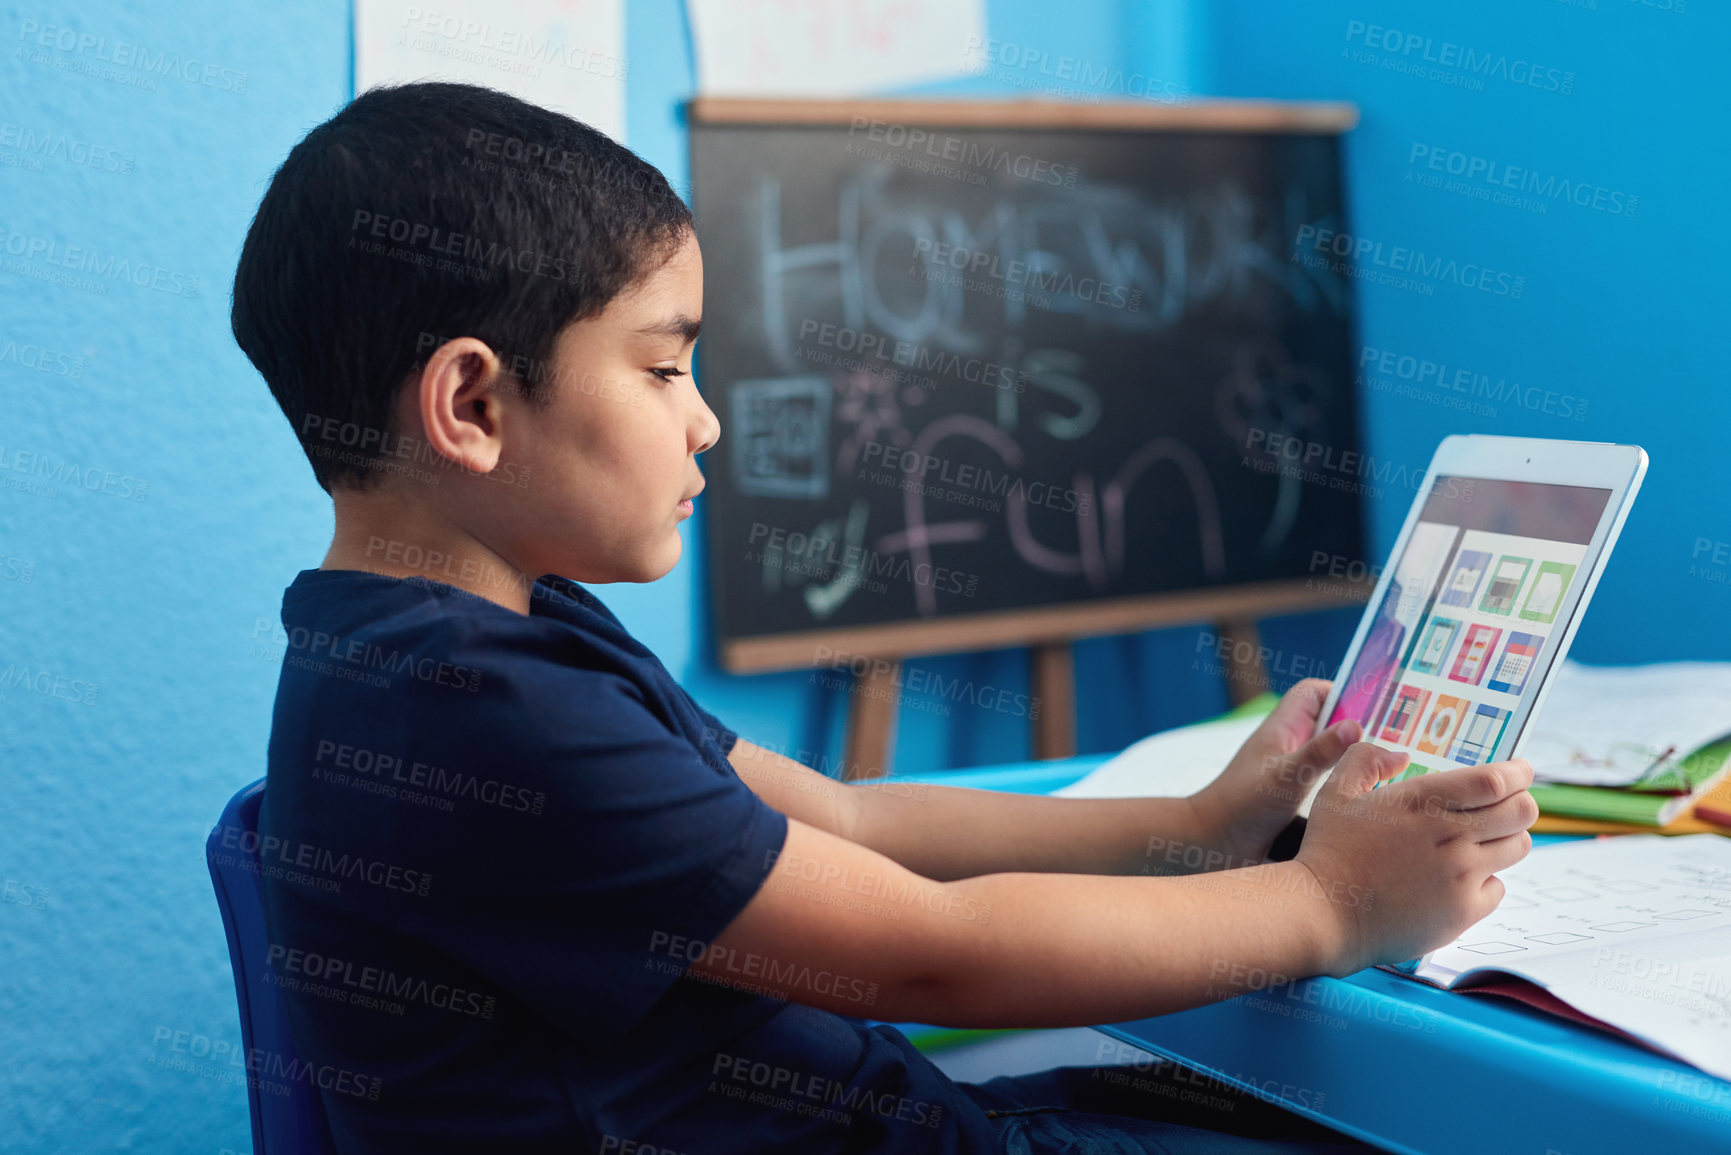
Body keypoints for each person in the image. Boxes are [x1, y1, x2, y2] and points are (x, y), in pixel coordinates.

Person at [232, 81, 1537, 1154]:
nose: (706, 419)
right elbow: (937, 962)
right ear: (471, 406)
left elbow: (852, 821)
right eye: (663, 366)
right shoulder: (483, 713)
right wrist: (1332, 905)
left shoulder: (483, 640)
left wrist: (1202, 830)